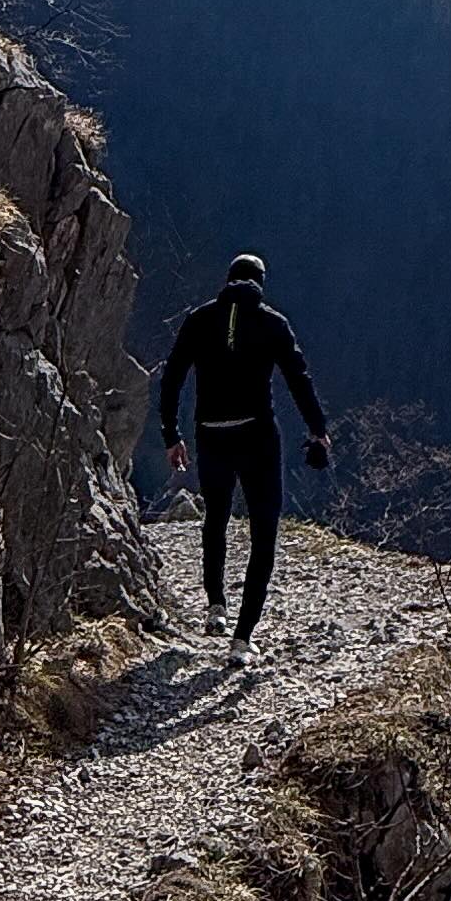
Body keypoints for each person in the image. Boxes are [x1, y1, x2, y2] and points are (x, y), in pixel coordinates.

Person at [160, 251, 330, 647]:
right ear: (260, 282)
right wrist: (318, 429)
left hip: (210, 433)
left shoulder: (199, 319)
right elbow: (298, 378)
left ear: (228, 279)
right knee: (264, 530)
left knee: (215, 518)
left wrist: (171, 434)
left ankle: (215, 604)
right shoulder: (273, 323)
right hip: (257, 436)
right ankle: (242, 638)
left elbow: (172, 377)